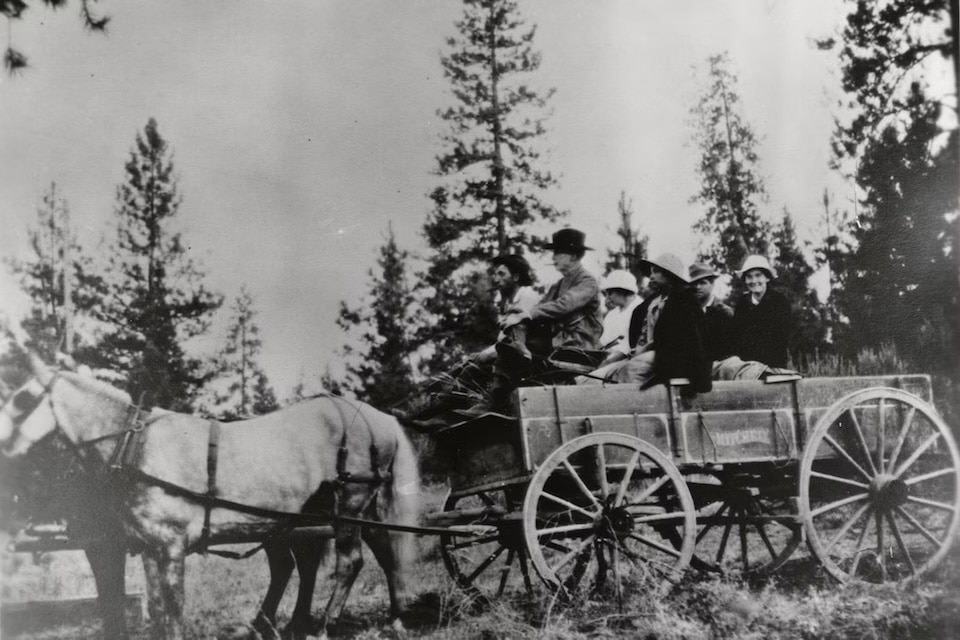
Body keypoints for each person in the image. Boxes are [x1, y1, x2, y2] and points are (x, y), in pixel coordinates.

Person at [462, 227, 603, 414]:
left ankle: (494, 401)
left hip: (579, 346)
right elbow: (538, 309)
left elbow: (564, 304)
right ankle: (515, 353)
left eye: (558, 253)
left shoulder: (588, 282)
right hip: (558, 344)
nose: (553, 258)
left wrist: (525, 315)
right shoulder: (559, 284)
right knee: (517, 318)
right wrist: (518, 315)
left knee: (522, 321)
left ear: (574, 256)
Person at [588, 253, 711, 395]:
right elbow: (640, 336)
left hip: (672, 357)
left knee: (631, 370)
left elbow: (693, 340)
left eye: (656, 271)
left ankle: (631, 407)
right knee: (598, 375)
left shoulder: (684, 301)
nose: (651, 276)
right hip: (647, 353)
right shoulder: (650, 303)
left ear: (669, 276)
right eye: (651, 272)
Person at [469, 254, 541, 363]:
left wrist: (488, 355)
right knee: (468, 363)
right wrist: (483, 354)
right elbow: (503, 339)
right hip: (514, 354)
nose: (496, 279)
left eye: (501, 274)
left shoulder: (528, 296)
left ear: (515, 277)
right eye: (495, 274)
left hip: (532, 356)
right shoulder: (508, 303)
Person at [733, 255, 792, 369]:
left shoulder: (779, 302)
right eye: (749, 277)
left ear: (767, 278)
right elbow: (737, 338)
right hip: (747, 368)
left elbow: (781, 340)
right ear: (745, 280)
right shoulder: (742, 304)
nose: (754, 281)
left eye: (758, 276)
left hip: (774, 367)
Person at [688, 262, 736, 367]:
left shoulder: (724, 313)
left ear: (712, 284)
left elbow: (730, 352)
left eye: (702, 283)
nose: (697, 287)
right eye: (693, 283)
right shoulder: (687, 313)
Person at [598, 269, 642, 356]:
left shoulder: (640, 309)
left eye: (610, 293)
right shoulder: (612, 314)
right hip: (608, 356)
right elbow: (603, 342)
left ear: (621, 290)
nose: (608, 298)